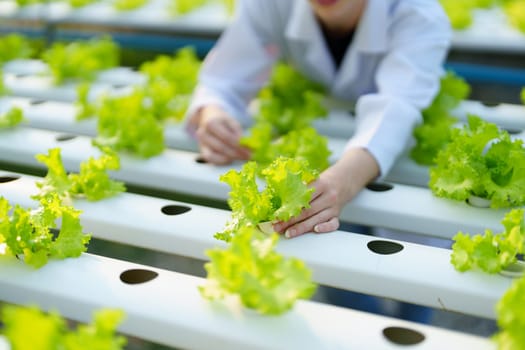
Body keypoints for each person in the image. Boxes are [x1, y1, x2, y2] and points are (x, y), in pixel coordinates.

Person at [186, 0, 451, 323]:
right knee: (335, 263)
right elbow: (223, 77)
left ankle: (411, 327)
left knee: (417, 270)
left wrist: (343, 180)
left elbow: (397, 106)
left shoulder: (418, 12)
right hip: (326, 136)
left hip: (405, 145)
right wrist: (214, 114)